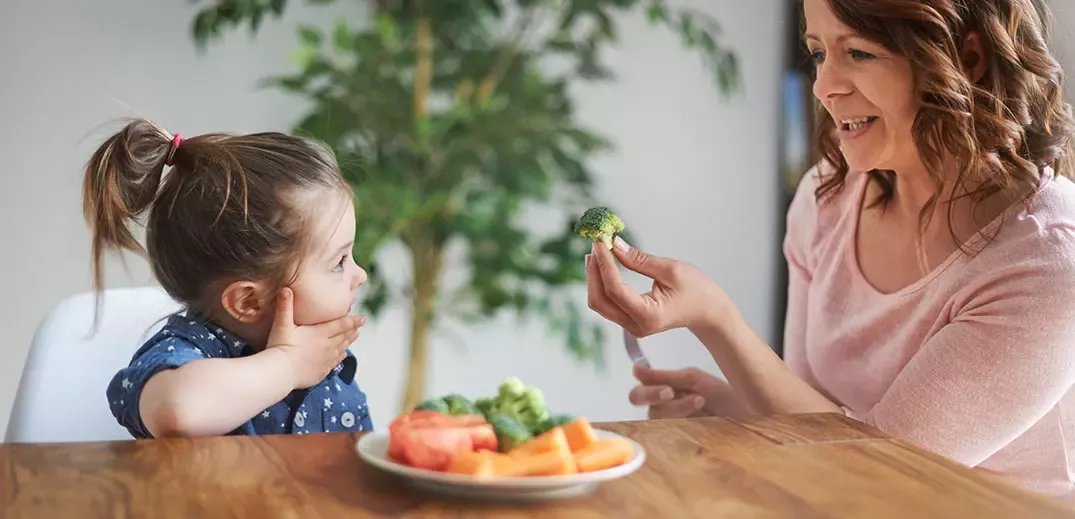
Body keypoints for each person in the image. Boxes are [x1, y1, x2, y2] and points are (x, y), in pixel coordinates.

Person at [586, 0, 1075, 499]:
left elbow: (886, 478)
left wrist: (716, 320)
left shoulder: (1047, 261)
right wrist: (729, 405)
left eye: (859, 53)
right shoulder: (829, 198)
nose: (824, 86)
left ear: (968, 58)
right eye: (818, 53)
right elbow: (820, 423)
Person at [83, 119, 371, 438]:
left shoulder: (325, 361)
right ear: (248, 301)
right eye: (339, 262)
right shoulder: (188, 352)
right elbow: (176, 409)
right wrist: (287, 365)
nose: (360, 275)